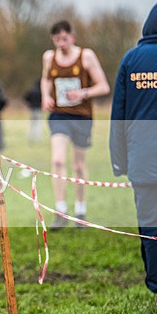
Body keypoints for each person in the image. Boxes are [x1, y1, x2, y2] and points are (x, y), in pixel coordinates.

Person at [110, 0, 157, 309]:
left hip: (144, 161)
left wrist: (120, 160)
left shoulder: (131, 59)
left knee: (153, 228)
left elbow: (118, 116)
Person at [40, 20, 110, 230]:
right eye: (56, 39)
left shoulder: (85, 56)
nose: (61, 43)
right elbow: (45, 79)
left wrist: (83, 93)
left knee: (79, 166)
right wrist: (45, 96)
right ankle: (61, 210)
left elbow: (104, 86)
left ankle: (80, 210)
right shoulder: (48, 57)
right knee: (58, 160)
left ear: (72, 37)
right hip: (59, 116)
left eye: (64, 38)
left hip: (81, 116)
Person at [23, 79, 43, 143]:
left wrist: (29, 104)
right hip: (39, 109)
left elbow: (25, 97)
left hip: (32, 109)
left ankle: (31, 137)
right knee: (38, 124)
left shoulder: (31, 91)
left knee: (32, 124)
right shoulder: (41, 91)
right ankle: (38, 138)